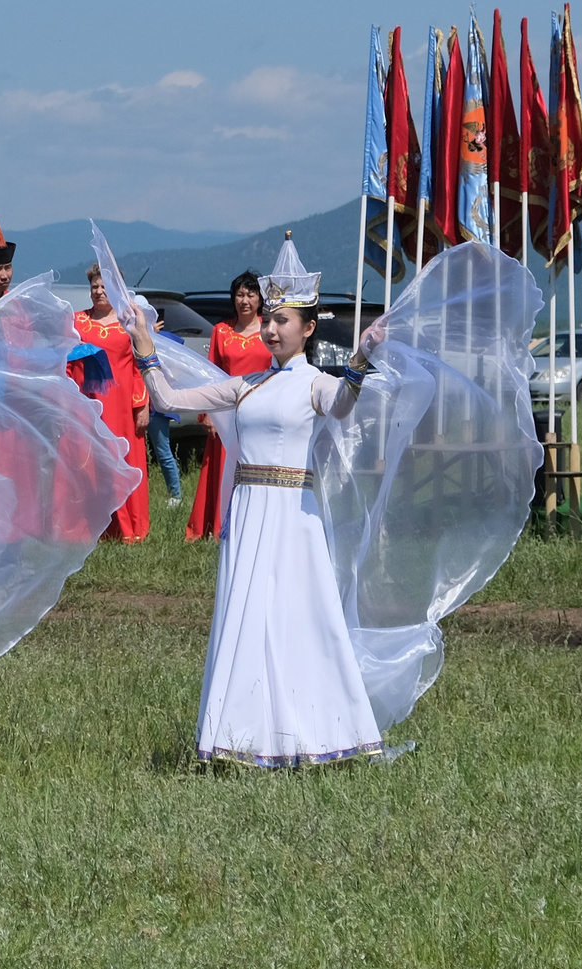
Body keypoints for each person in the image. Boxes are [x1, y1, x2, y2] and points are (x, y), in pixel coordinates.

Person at [123, 238, 400, 767]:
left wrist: (361, 357)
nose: (272, 329)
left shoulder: (315, 384)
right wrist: (143, 346)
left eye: (284, 321)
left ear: (308, 329)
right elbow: (166, 400)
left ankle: (314, 732)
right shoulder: (243, 387)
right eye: (269, 319)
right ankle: (241, 735)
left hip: (295, 519)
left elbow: (342, 406)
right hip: (249, 515)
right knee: (246, 617)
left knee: (298, 618)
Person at [184, 270, 272, 541]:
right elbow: (210, 373)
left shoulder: (270, 330)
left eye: (251, 294)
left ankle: (254, 522)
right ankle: (218, 523)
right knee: (221, 466)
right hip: (226, 411)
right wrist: (207, 414)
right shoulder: (221, 331)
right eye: (240, 294)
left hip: (260, 409)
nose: (244, 300)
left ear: (260, 299)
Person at [73, 265, 151, 541]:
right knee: (88, 462)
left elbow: (141, 364)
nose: (98, 291)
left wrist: (142, 404)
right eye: (95, 287)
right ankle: (93, 528)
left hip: (120, 405)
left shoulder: (129, 322)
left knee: (123, 460)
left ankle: (129, 527)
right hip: (86, 403)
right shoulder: (77, 321)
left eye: (104, 287)